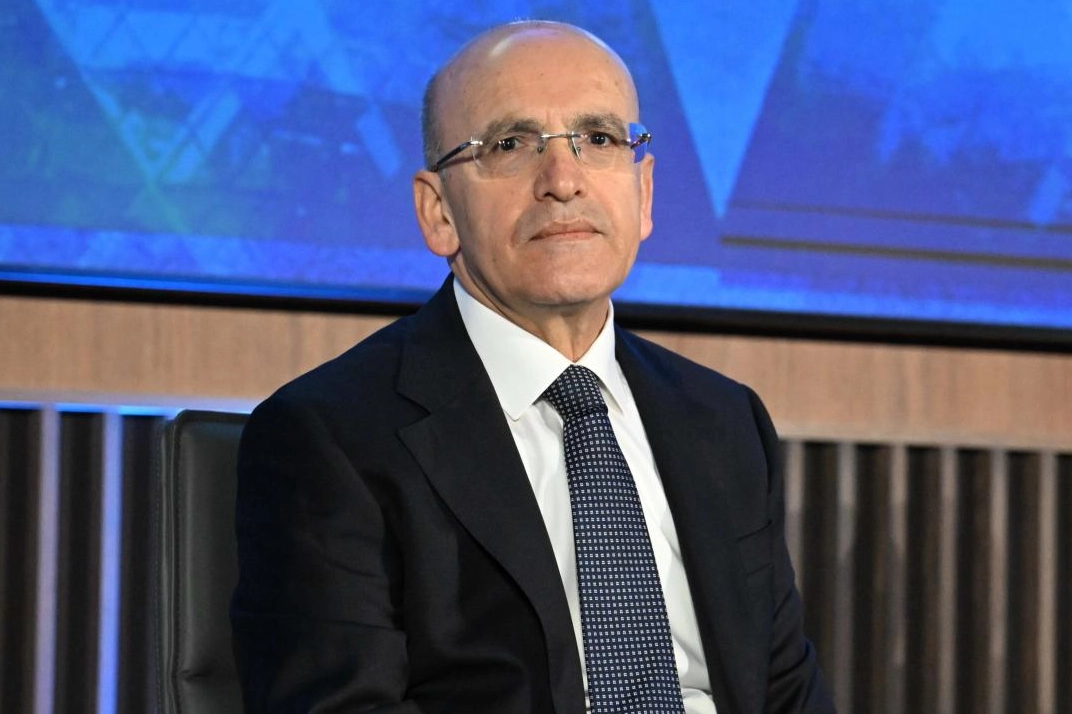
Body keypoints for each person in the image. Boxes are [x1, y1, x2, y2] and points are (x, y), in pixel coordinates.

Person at [231, 19, 835, 714]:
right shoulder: (330, 436)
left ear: (644, 195)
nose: (563, 180)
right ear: (438, 213)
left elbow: (787, 695)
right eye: (510, 145)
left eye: (598, 139)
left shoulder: (725, 422)